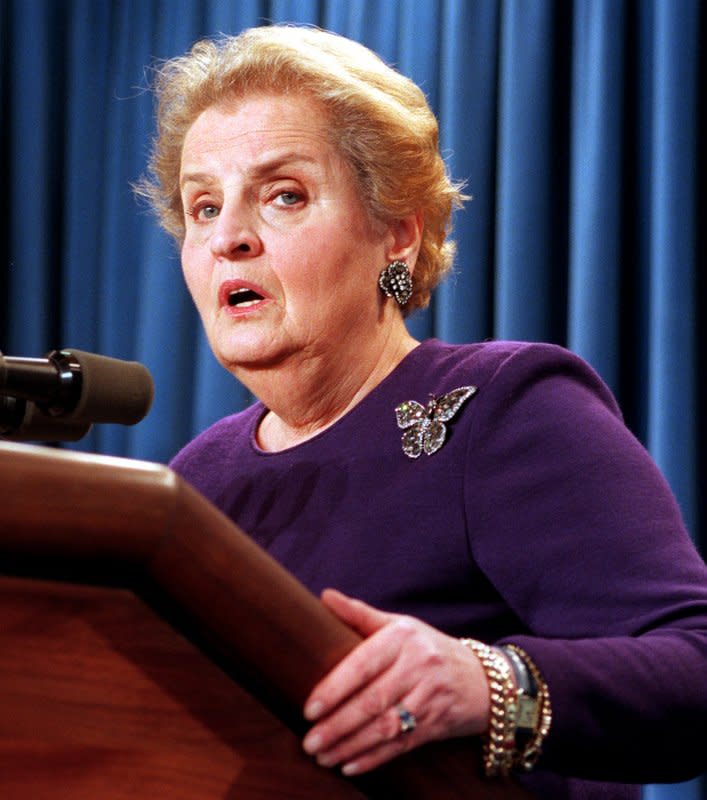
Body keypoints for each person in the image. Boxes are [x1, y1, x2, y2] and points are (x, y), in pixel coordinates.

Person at [138, 24, 707, 799]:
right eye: (202, 208)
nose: (228, 238)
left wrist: (490, 681)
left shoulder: (501, 412)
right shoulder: (196, 480)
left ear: (396, 238)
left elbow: (693, 665)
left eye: (283, 196)